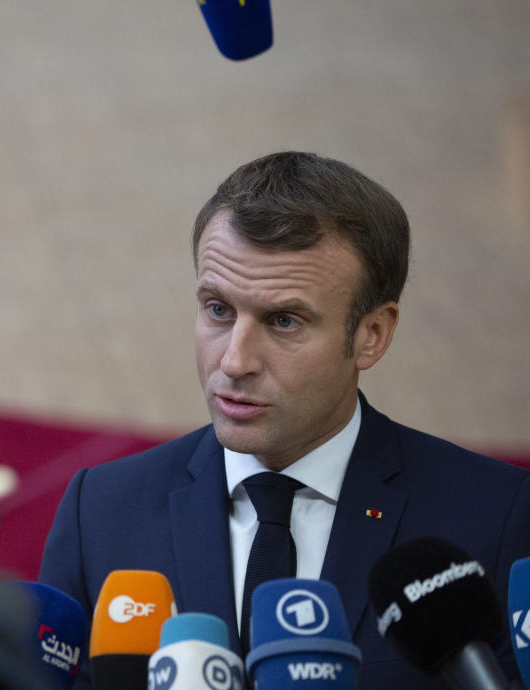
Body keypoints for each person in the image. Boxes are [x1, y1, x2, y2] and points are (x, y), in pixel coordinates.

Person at [39, 151, 530, 689]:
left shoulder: (497, 518)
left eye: (284, 320)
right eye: (218, 309)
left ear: (372, 335)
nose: (234, 361)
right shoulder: (101, 512)